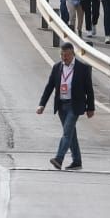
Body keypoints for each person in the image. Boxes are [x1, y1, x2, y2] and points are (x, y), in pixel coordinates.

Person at [38, 41, 95, 170]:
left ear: (73, 54)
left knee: (67, 133)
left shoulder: (82, 68)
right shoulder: (57, 67)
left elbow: (89, 89)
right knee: (70, 134)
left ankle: (59, 158)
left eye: (67, 55)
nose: (64, 58)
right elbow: (49, 87)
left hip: (74, 105)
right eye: (62, 55)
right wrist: (42, 104)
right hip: (61, 105)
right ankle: (77, 161)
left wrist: (91, 108)